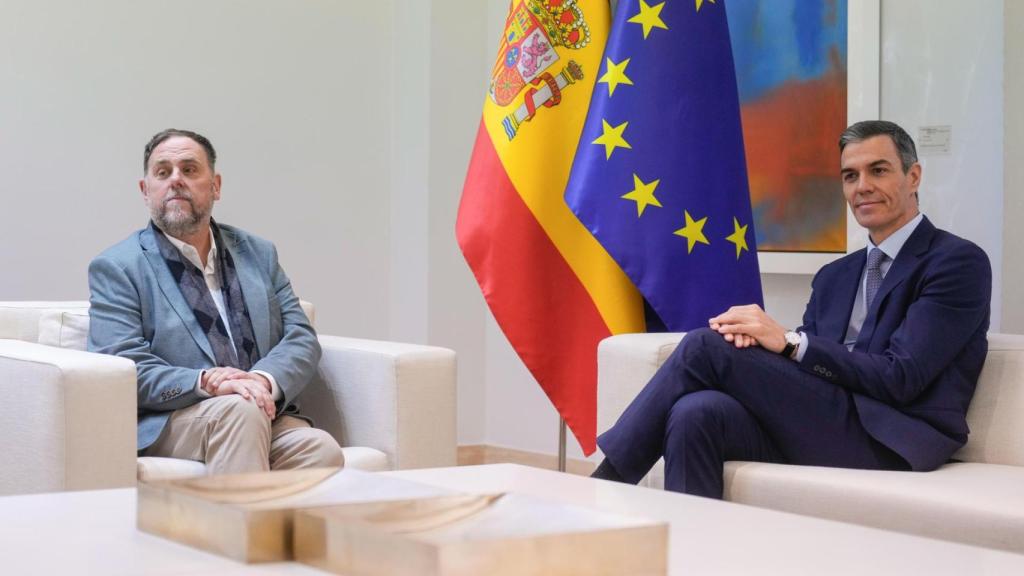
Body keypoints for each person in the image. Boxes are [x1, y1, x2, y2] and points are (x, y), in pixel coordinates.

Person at [592, 120, 991, 498]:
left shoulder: (956, 263)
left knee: (703, 347)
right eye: (850, 176)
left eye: (878, 171)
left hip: (892, 436)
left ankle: (604, 488)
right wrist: (761, 345)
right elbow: (809, 369)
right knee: (695, 411)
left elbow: (901, 376)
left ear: (913, 176)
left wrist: (789, 341)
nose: (863, 187)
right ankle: (693, 544)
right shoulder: (834, 276)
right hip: (824, 421)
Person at [88, 128, 344, 475]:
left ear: (215, 186)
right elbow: (121, 364)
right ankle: (238, 514)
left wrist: (262, 381)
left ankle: (260, 513)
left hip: (259, 406)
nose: (176, 180)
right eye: (163, 172)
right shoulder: (118, 267)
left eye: (189, 169)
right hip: (175, 417)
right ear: (145, 190)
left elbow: (300, 337)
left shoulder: (259, 254)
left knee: (321, 450)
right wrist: (206, 381)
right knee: (240, 412)